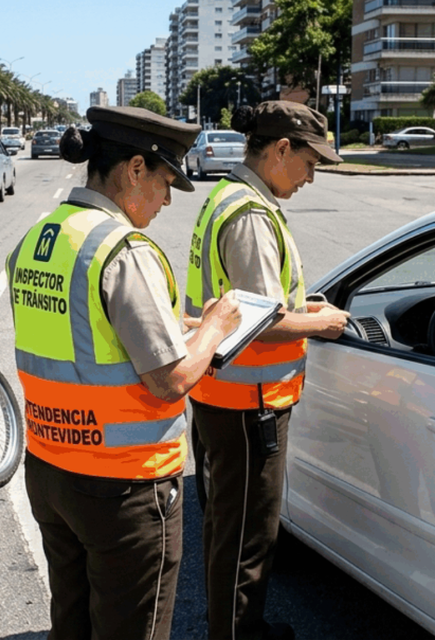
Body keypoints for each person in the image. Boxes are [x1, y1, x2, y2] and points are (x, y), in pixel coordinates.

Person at [7, 106, 242, 640]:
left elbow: (86, 332)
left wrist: (177, 324)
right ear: (135, 168)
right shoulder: (122, 249)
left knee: (71, 623)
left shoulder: (39, 239)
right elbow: (171, 379)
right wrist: (215, 326)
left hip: (50, 468)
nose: (166, 201)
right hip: (122, 485)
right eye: (165, 183)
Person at [185, 101, 350, 640]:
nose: (311, 177)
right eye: (310, 163)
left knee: (227, 526)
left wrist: (301, 308)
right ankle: (237, 633)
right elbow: (262, 322)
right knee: (247, 536)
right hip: (249, 402)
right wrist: (321, 323)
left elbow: (252, 303)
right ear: (281, 149)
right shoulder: (251, 214)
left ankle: (234, 626)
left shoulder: (229, 196)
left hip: (223, 395)